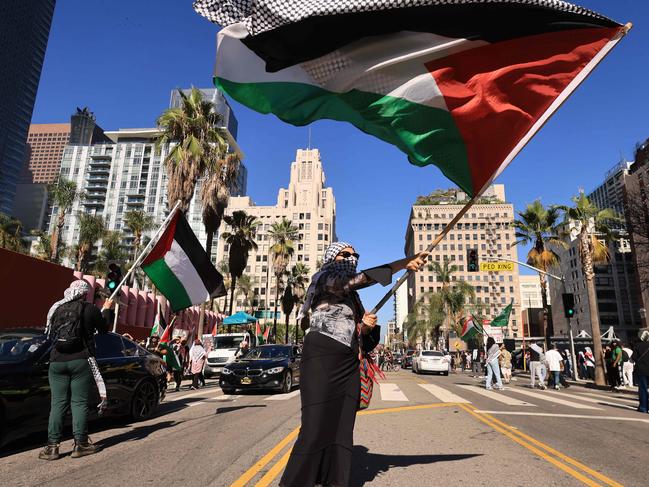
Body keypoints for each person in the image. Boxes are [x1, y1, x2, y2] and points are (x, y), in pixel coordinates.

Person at [279, 241, 427, 487]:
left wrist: (366, 327)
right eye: (345, 254)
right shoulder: (324, 276)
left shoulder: (354, 299)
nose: (352, 257)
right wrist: (404, 264)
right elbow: (362, 278)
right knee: (314, 427)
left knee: (342, 428)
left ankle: (335, 480)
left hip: (348, 363)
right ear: (332, 258)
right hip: (321, 357)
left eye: (355, 254)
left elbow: (365, 342)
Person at [39, 280, 114, 461]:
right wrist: (108, 309)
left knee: (58, 403)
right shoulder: (89, 309)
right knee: (78, 403)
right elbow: (104, 329)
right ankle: (80, 444)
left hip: (56, 361)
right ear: (84, 294)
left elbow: (49, 335)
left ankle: (52, 447)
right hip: (81, 360)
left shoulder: (56, 309)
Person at [632, 330, 649, 413]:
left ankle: (643, 407)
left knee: (643, 388)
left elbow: (633, 358)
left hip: (642, 370)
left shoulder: (637, 346)